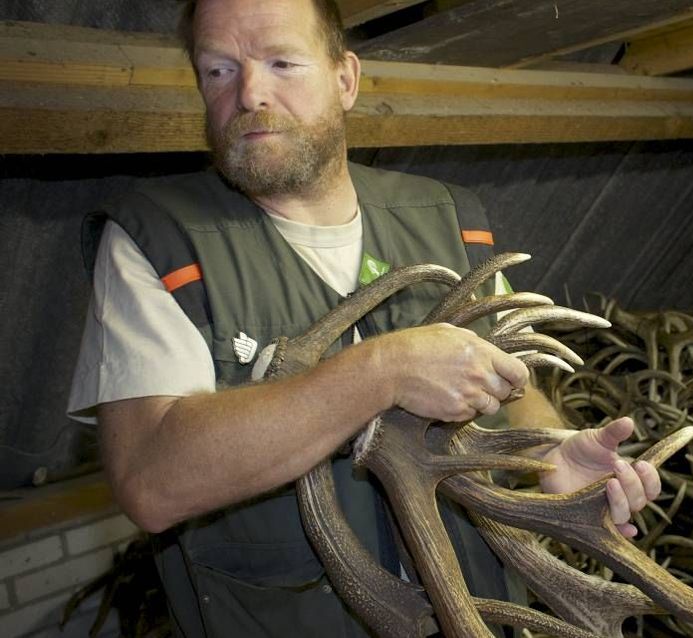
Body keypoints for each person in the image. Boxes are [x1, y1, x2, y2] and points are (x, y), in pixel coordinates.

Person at [68, 0, 661, 635]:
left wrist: (549, 454)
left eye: (282, 62)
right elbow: (151, 481)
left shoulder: (449, 219)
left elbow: (516, 389)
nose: (249, 93)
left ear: (346, 80)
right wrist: (382, 371)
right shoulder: (157, 240)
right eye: (218, 70)